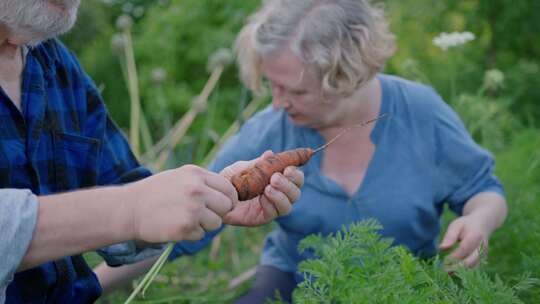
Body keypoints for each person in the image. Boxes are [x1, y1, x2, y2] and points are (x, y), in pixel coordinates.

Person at [95, 0, 508, 303]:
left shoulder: (421, 112)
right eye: (272, 85)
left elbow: (483, 188)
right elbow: (190, 219)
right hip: (294, 283)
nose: (277, 102)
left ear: (346, 75)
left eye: (294, 90)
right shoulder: (269, 133)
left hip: (401, 285)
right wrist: (90, 288)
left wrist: (479, 222)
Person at [0, 1, 305, 303]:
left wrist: (216, 196)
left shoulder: (56, 64)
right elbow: (127, 205)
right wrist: (131, 208)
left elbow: (124, 194)